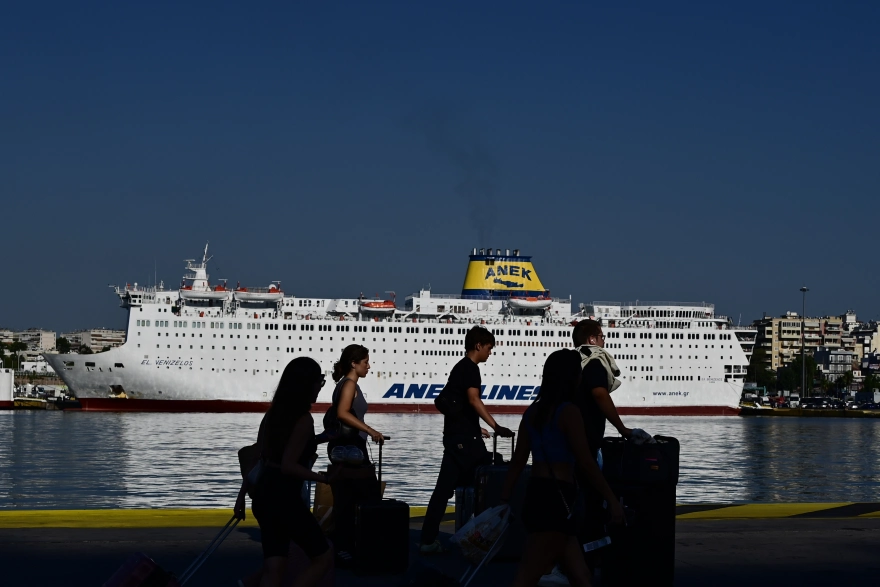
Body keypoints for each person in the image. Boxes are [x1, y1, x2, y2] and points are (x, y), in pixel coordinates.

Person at [502, 349, 624, 587]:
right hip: (557, 501)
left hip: (537, 493)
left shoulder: (532, 412)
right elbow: (586, 461)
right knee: (527, 576)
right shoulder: (569, 412)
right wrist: (611, 499)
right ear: (571, 378)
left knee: (581, 575)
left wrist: (504, 498)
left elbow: (518, 461)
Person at [234, 357, 333, 587]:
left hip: (263, 494)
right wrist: (324, 478)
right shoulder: (304, 419)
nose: (320, 387)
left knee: (274, 567)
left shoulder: (272, 414)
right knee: (323, 557)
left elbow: (257, 457)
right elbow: (289, 465)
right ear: (306, 384)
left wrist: (241, 497)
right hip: (285, 497)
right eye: (319, 381)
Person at [419, 326, 514, 554]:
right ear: (478, 346)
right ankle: (482, 535)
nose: (490, 352)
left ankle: (428, 539)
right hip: (464, 441)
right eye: (489, 348)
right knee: (492, 471)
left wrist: (476, 427)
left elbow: (459, 405)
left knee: (443, 490)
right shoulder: (471, 369)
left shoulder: (460, 367)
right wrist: (496, 426)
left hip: (457, 437)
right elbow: (473, 400)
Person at [325, 344, 385, 566]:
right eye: (365, 362)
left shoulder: (343, 384)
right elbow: (342, 413)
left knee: (347, 500)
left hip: (350, 448)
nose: (369, 366)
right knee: (364, 497)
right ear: (354, 363)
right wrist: (370, 431)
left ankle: (345, 547)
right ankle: (346, 548)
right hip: (352, 449)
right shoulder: (349, 385)